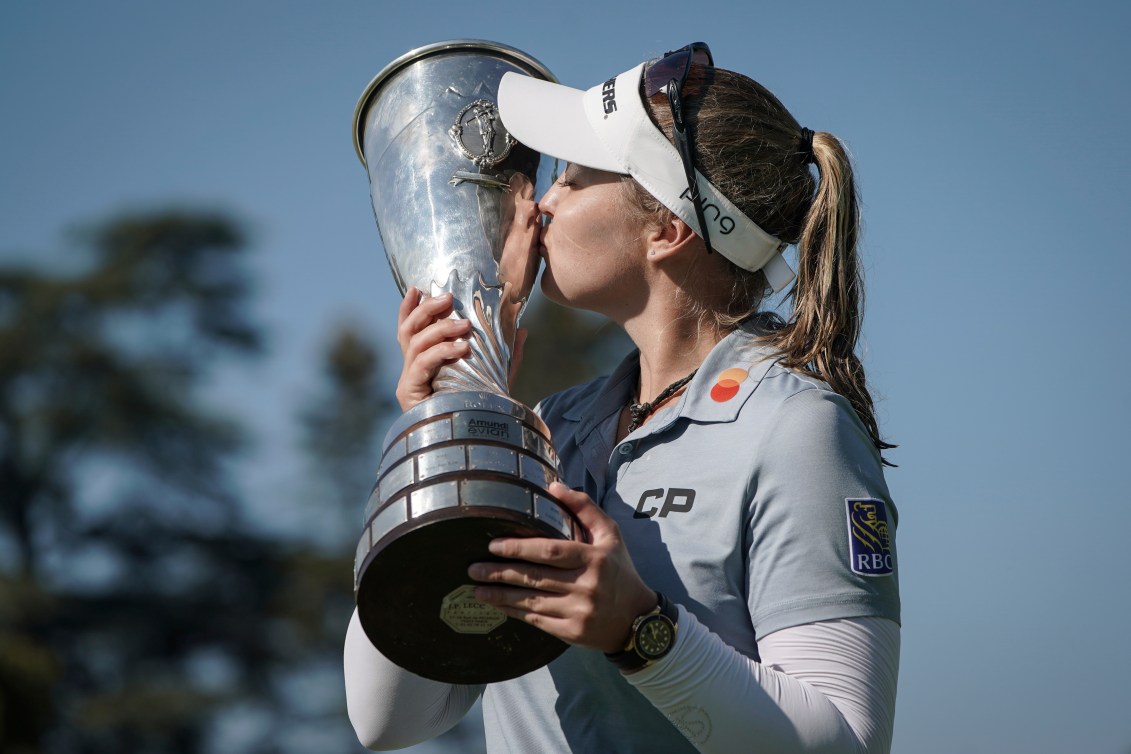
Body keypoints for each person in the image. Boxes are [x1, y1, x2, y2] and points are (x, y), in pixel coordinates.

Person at [345, 42, 900, 753]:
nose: (540, 202)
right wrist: (445, 423)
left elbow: (846, 743)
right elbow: (387, 720)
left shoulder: (794, 428)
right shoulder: (546, 429)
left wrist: (638, 630)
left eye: (572, 178)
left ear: (666, 229)